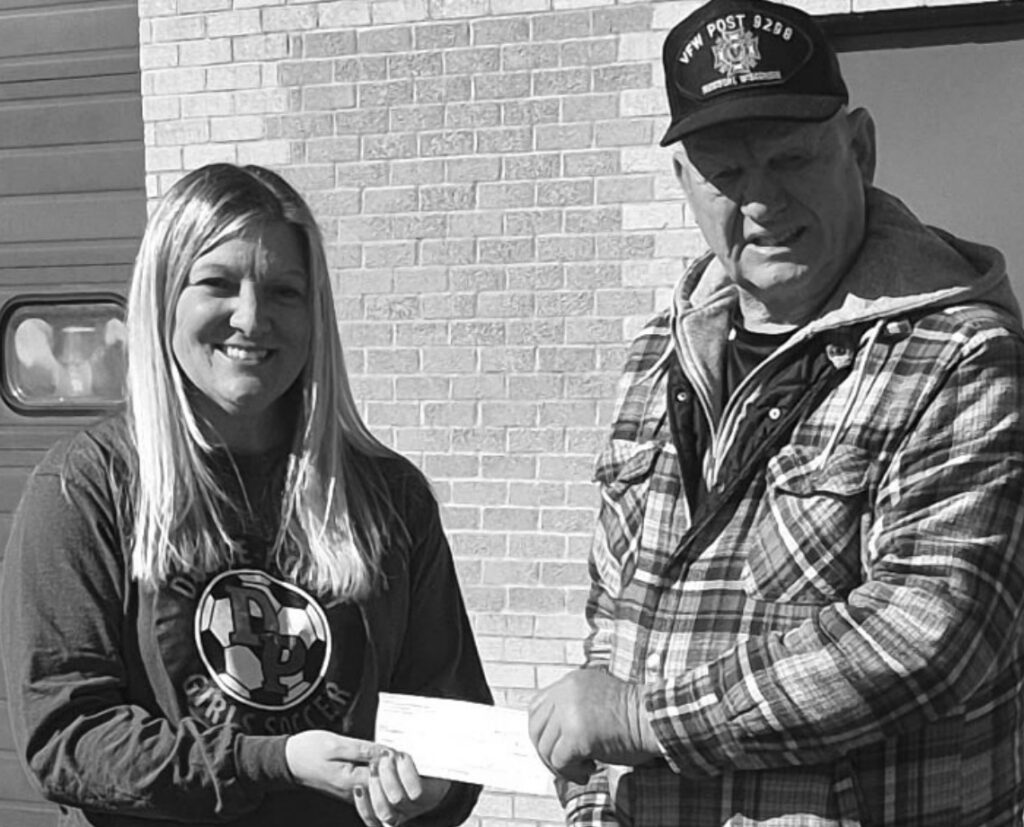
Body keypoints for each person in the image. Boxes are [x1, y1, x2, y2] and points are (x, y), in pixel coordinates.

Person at [528, 0, 1024, 824]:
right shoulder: (658, 357)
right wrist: (593, 795)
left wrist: (640, 718)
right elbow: (612, 621)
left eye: (791, 158)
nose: (760, 201)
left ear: (859, 149)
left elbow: (925, 635)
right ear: (687, 182)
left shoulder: (961, 359)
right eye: (726, 173)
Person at [1, 163, 492, 827]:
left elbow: (450, 716)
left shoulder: (391, 497)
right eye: (218, 284)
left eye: (285, 291)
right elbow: (68, 735)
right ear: (163, 298)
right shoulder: (85, 489)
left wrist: (433, 785)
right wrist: (273, 759)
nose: (252, 317)